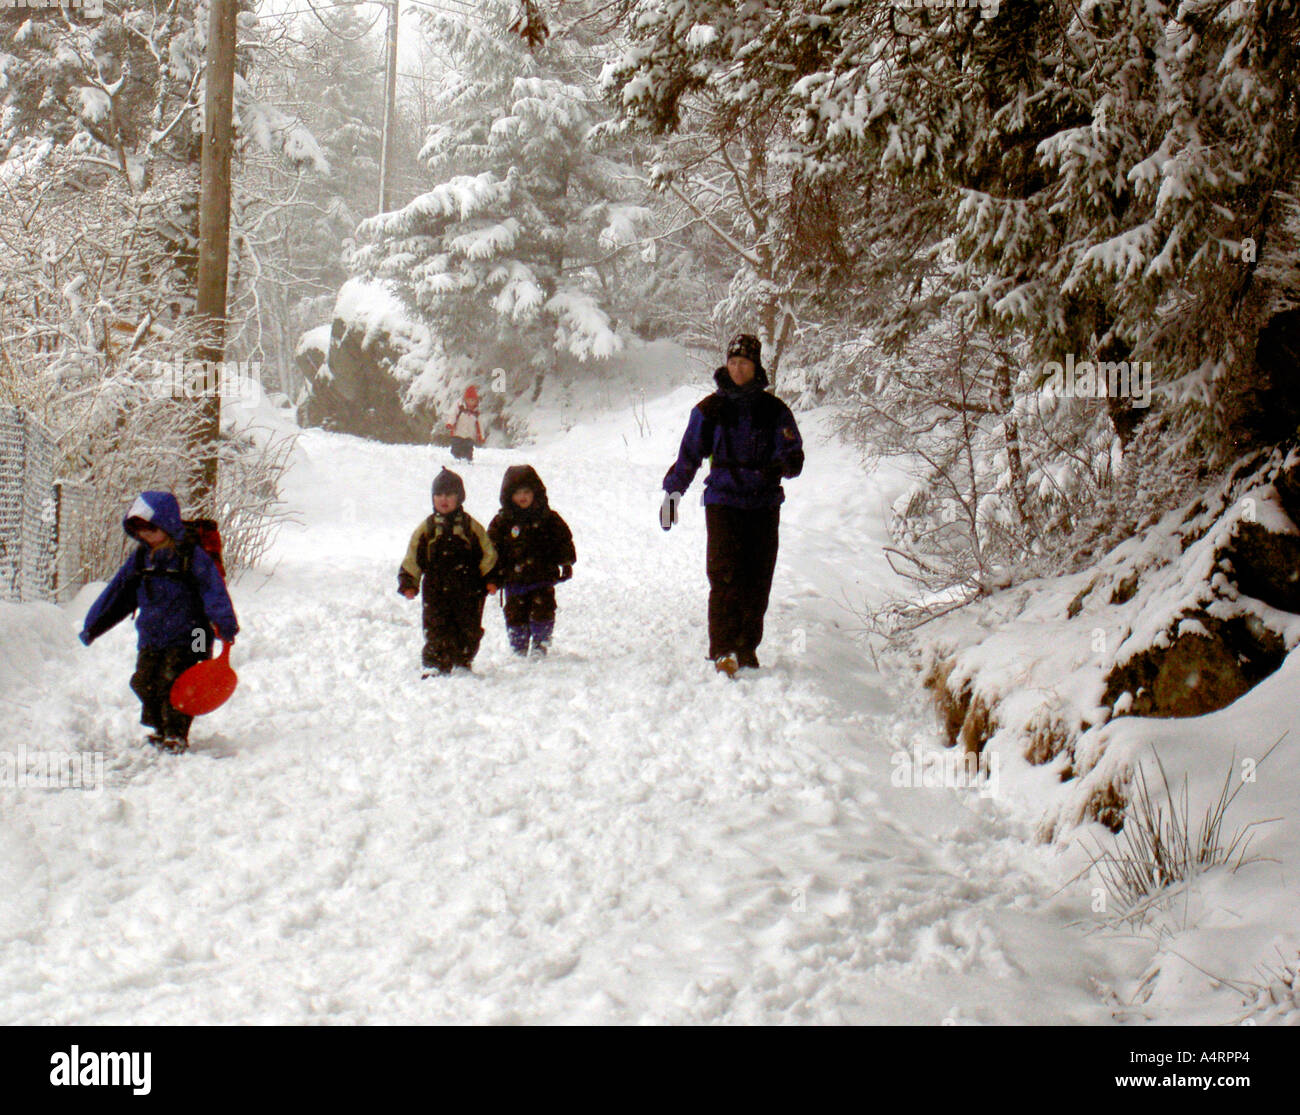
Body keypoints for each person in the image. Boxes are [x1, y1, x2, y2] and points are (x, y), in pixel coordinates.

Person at [661, 333, 804, 676]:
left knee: (757, 579)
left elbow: (794, 456)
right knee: (724, 577)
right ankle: (723, 649)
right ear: (726, 365)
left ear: (756, 367)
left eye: (745, 363)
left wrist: (784, 463)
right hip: (723, 500)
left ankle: (747, 648)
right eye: (733, 362)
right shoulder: (710, 409)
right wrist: (672, 493)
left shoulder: (774, 410)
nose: (738, 369)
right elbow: (689, 455)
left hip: (764, 503)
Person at [79, 490, 239, 752]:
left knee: (179, 683)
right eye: (139, 530)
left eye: (151, 529)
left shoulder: (191, 556)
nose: (145, 536)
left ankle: (175, 734)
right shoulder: (142, 558)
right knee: (145, 680)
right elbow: (118, 592)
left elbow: (213, 589)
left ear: (166, 524)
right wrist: (93, 626)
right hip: (153, 634)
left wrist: (224, 623)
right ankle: (160, 728)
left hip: (193, 634)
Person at [398, 468, 497, 676]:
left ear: (459, 498)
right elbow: (413, 556)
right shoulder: (428, 528)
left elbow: (488, 553)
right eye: (439, 495)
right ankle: (435, 662)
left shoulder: (470, 527)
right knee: (436, 625)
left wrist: (490, 577)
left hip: (468, 588)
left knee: (468, 625)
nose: (444, 499)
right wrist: (409, 581)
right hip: (436, 589)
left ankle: (463, 659)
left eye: (450, 495)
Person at [486, 465, 575, 657]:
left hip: (542, 576)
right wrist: (492, 574)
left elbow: (563, 540)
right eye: (517, 493)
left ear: (536, 492)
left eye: (527, 492)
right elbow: (491, 549)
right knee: (515, 614)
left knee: (543, 610)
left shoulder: (548, 518)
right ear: (509, 495)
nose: (523, 497)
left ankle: (540, 642)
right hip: (513, 579)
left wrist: (565, 561)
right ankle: (518, 644)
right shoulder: (502, 522)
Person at [447, 385, 485, 462]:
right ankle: (456, 458)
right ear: (465, 399)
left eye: (473, 400)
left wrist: (481, 436)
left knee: (468, 448)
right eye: (469, 400)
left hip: (470, 435)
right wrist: (450, 423)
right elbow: (453, 414)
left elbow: (480, 425)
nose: (471, 402)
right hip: (458, 433)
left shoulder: (476, 412)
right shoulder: (459, 407)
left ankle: (468, 459)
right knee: (456, 447)